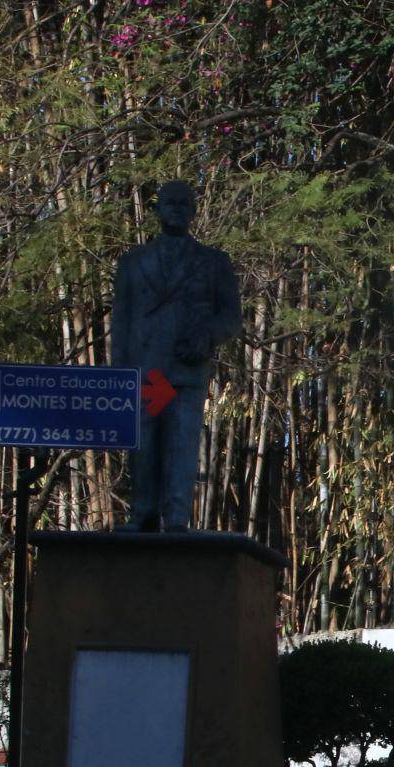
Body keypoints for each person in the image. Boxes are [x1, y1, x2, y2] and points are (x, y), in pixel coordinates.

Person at [110, 180, 242, 532]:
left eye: (186, 202)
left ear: (195, 211)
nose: (178, 207)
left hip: (186, 371)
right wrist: (118, 377)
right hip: (146, 372)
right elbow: (121, 321)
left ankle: (178, 520)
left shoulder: (214, 263)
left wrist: (207, 335)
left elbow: (231, 317)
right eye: (170, 202)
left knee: (182, 446)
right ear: (156, 209)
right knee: (144, 446)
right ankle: (143, 514)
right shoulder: (133, 263)